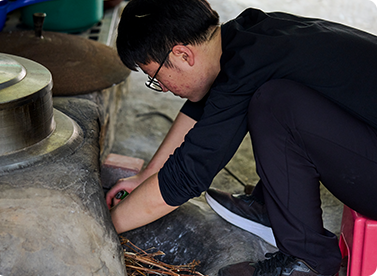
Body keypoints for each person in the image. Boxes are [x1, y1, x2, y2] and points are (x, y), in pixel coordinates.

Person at [106, 0, 377, 275]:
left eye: (156, 77)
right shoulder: (246, 36)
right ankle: (275, 207)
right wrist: (147, 175)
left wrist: (105, 225)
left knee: (276, 105)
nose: (162, 88)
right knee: (274, 99)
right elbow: (203, 106)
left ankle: (307, 261)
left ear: (183, 55)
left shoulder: (244, 68)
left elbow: (187, 175)